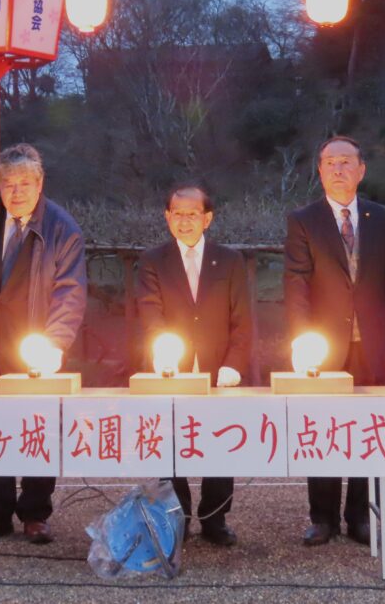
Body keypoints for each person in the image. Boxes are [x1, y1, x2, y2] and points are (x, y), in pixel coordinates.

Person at [0, 143, 87, 544]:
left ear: (40, 183)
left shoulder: (63, 227)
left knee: (36, 431)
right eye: (8, 183)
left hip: (35, 348)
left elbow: (71, 292)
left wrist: (56, 345)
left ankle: (35, 512)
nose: (16, 191)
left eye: (24, 182)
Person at [284, 136, 385, 547]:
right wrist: (301, 340)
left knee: (368, 430)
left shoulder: (384, 218)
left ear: (361, 169)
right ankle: (322, 517)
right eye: (330, 162)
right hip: (323, 346)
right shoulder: (303, 219)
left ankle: (361, 516)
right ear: (319, 170)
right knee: (322, 430)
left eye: (346, 161)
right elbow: (297, 282)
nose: (338, 169)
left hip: (371, 341)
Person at [136, 183, 253, 547]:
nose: (185, 221)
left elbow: (243, 319)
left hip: (219, 369)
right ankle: (179, 517)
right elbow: (149, 311)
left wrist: (234, 362)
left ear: (207, 218)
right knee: (169, 445)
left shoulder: (230, 260)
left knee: (221, 443)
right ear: (167, 217)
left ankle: (215, 518)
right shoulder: (152, 260)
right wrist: (162, 353)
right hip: (170, 371)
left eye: (192, 214)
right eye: (177, 214)